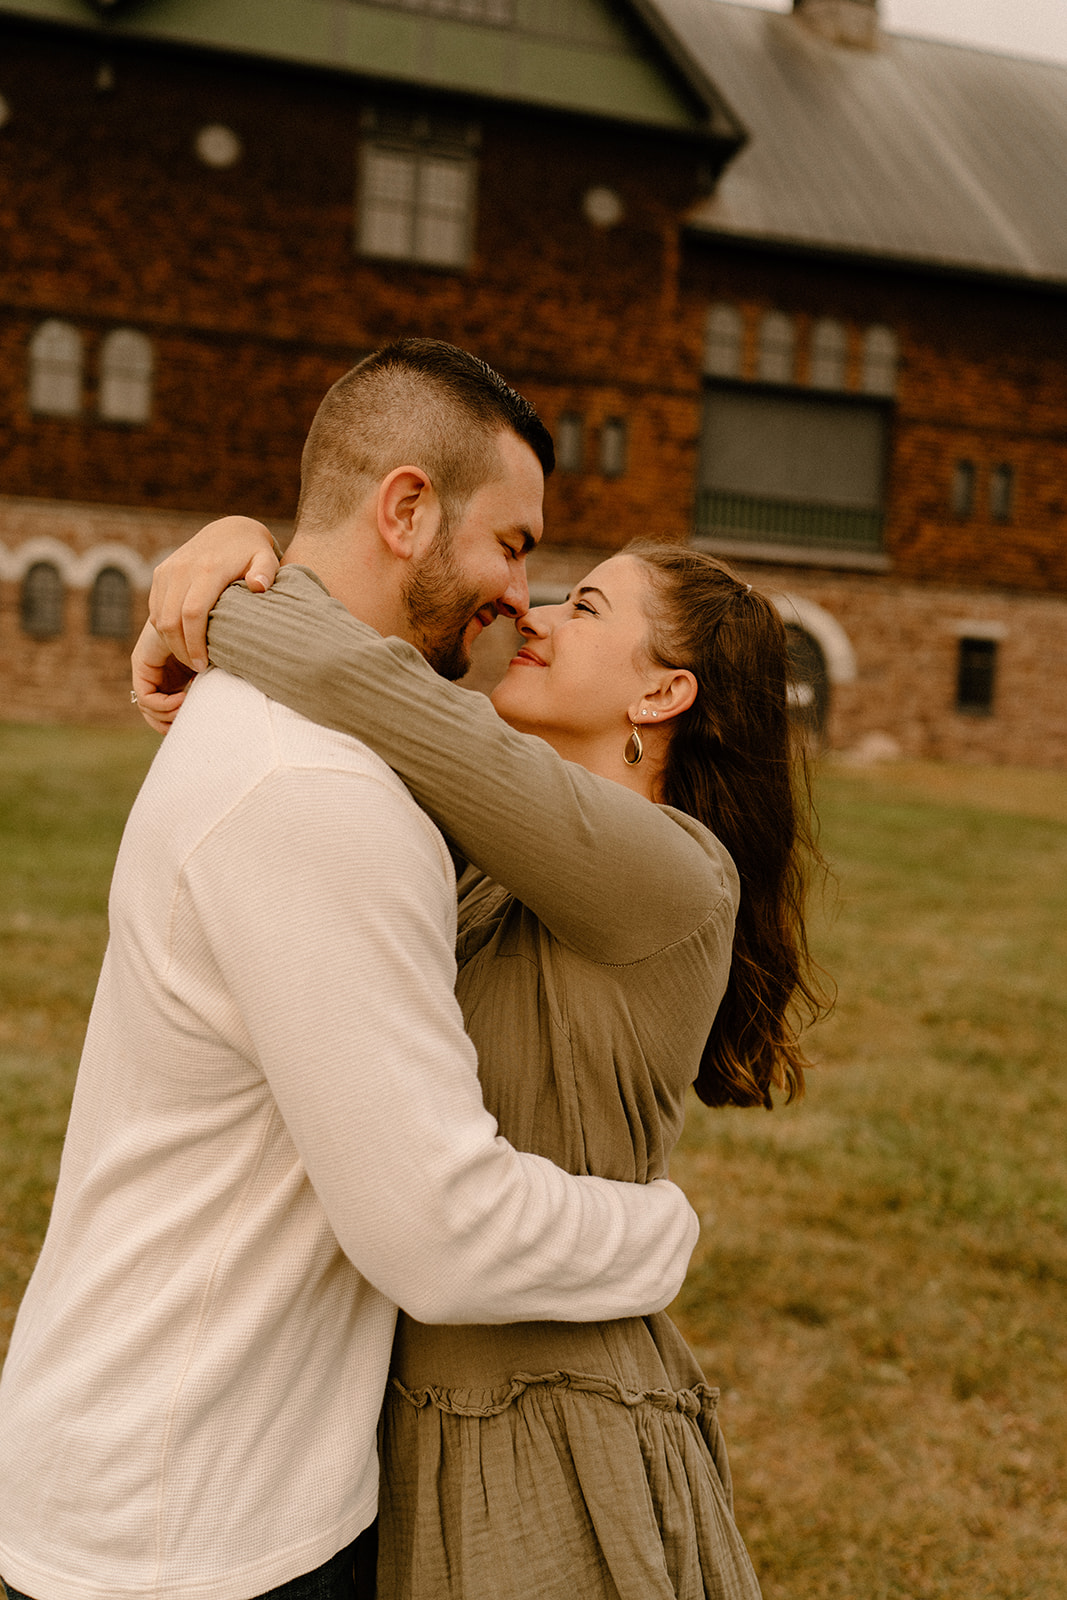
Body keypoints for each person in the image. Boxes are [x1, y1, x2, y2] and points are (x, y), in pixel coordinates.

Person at [0, 342, 707, 1600]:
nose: (520, 597)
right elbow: (437, 1228)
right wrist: (658, 1230)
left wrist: (232, 567)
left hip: (210, 1480)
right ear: (406, 509)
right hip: (189, 1526)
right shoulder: (318, 790)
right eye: (511, 544)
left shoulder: (313, 750)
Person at [128, 504, 827, 1597]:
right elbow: (359, 704)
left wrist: (210, 599)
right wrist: (228, 538)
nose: (537, 614)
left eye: (584, 605)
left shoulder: (672, 871)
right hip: (403, 1420)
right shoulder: (492, 858)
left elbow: (370, 688)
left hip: (556, 1421)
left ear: (661, 693)